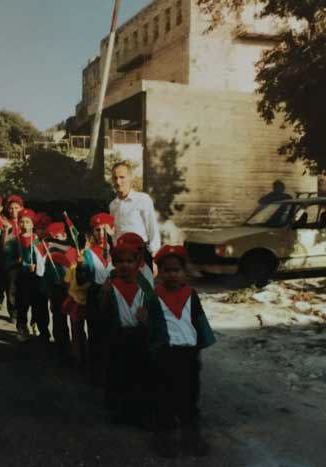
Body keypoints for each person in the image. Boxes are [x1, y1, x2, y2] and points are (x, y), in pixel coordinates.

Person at [146, 245, 216, 458]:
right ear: (159, 272)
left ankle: (192, 438)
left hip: (189, 356)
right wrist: (154, 350)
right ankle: (164, 440)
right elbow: (152, 327)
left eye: (176, 270)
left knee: (189, 399)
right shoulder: (154, 296)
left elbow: (199, 319)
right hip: (166, 355)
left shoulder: (191, 294)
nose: (171, 274)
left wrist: (201, 344)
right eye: (166, 270)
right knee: (164, 399)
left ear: (183, 271)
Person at [98, 238, 155, 426]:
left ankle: (140, 412)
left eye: (129, 261)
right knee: (118, 374)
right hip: (117, 336)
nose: (125, 265)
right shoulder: (110, 283)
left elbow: (154, 308)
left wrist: (147, 318)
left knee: (140, 374)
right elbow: (101, 311)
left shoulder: (144, 284)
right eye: (120, 261)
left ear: (137, 263)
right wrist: (105, 294)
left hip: (139, 336)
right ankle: (119, 412)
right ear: (114, 263)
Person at [109, 161, 161, 273]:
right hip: (122, 256)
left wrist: (154, 256)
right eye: (115, 178)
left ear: (130, 178)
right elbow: (115, 233)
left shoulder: (142, 199)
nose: (118, 182)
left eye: (122, 177)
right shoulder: (113, 205)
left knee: (144, 288)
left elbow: (152, 227)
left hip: (140, 253)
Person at [82, 213, 115, 381]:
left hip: (114, 297)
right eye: (97, 230)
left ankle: (110, 370)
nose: (101, 234)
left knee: (112, 334)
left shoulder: (116, 251)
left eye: (105, 230)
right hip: (95, 295)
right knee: (95, 334)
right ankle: (95, 372)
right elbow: (83, 279)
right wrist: (81, 267)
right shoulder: (88, 253)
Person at [41, 222, 78, 364]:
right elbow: (47, 275)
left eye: (58, 236)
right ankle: (62, 351)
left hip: (74, 290)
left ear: (65, 235)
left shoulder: (74, 249)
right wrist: (49, 293)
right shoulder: (51, 254)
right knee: (59, 321)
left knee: (75, 322)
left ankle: (77, 351)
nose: (55, 240)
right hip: (58, 290)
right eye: (52, 237)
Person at [14, 208, 48, 342]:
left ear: (33, 224)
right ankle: (22, 327)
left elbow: (43, 257)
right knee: (23, 304)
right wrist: (20, 263)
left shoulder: (38, 240)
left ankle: (42, 329)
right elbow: (9, 257)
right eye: (22, 222)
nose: (24, 225)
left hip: (38, 277)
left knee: (40, 304)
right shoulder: (15, 240)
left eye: (28, 222)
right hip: (22, 277)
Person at [62, 252, 92, 369]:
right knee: (90, 332)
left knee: (76, 332)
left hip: (76, 303)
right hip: (88, 303)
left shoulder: (73, 267)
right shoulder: (93, 268)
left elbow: (66, 282)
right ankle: (86, 358)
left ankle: (78, 358)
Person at [2, 195, 24, 322]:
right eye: (11, 208)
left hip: (25, 262)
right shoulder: (6, 223)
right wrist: (6, 231)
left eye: (16, 208)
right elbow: (4, 247)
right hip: (11, 262)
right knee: (11, 288)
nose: (13, 210)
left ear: (21, 208)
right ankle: (14, 313)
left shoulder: (26, 222)